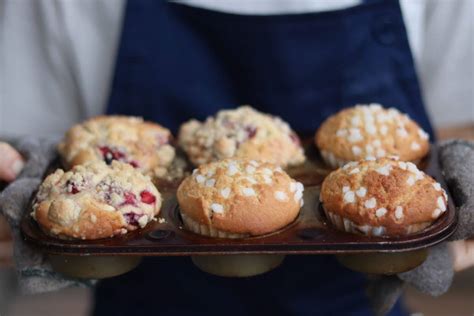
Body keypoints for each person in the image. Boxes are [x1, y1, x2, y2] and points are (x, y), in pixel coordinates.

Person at [0, 0, 473, 315]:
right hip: (144, 291)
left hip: (358, 296)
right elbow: (25, 134)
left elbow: (459, 120)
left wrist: (454, 192)